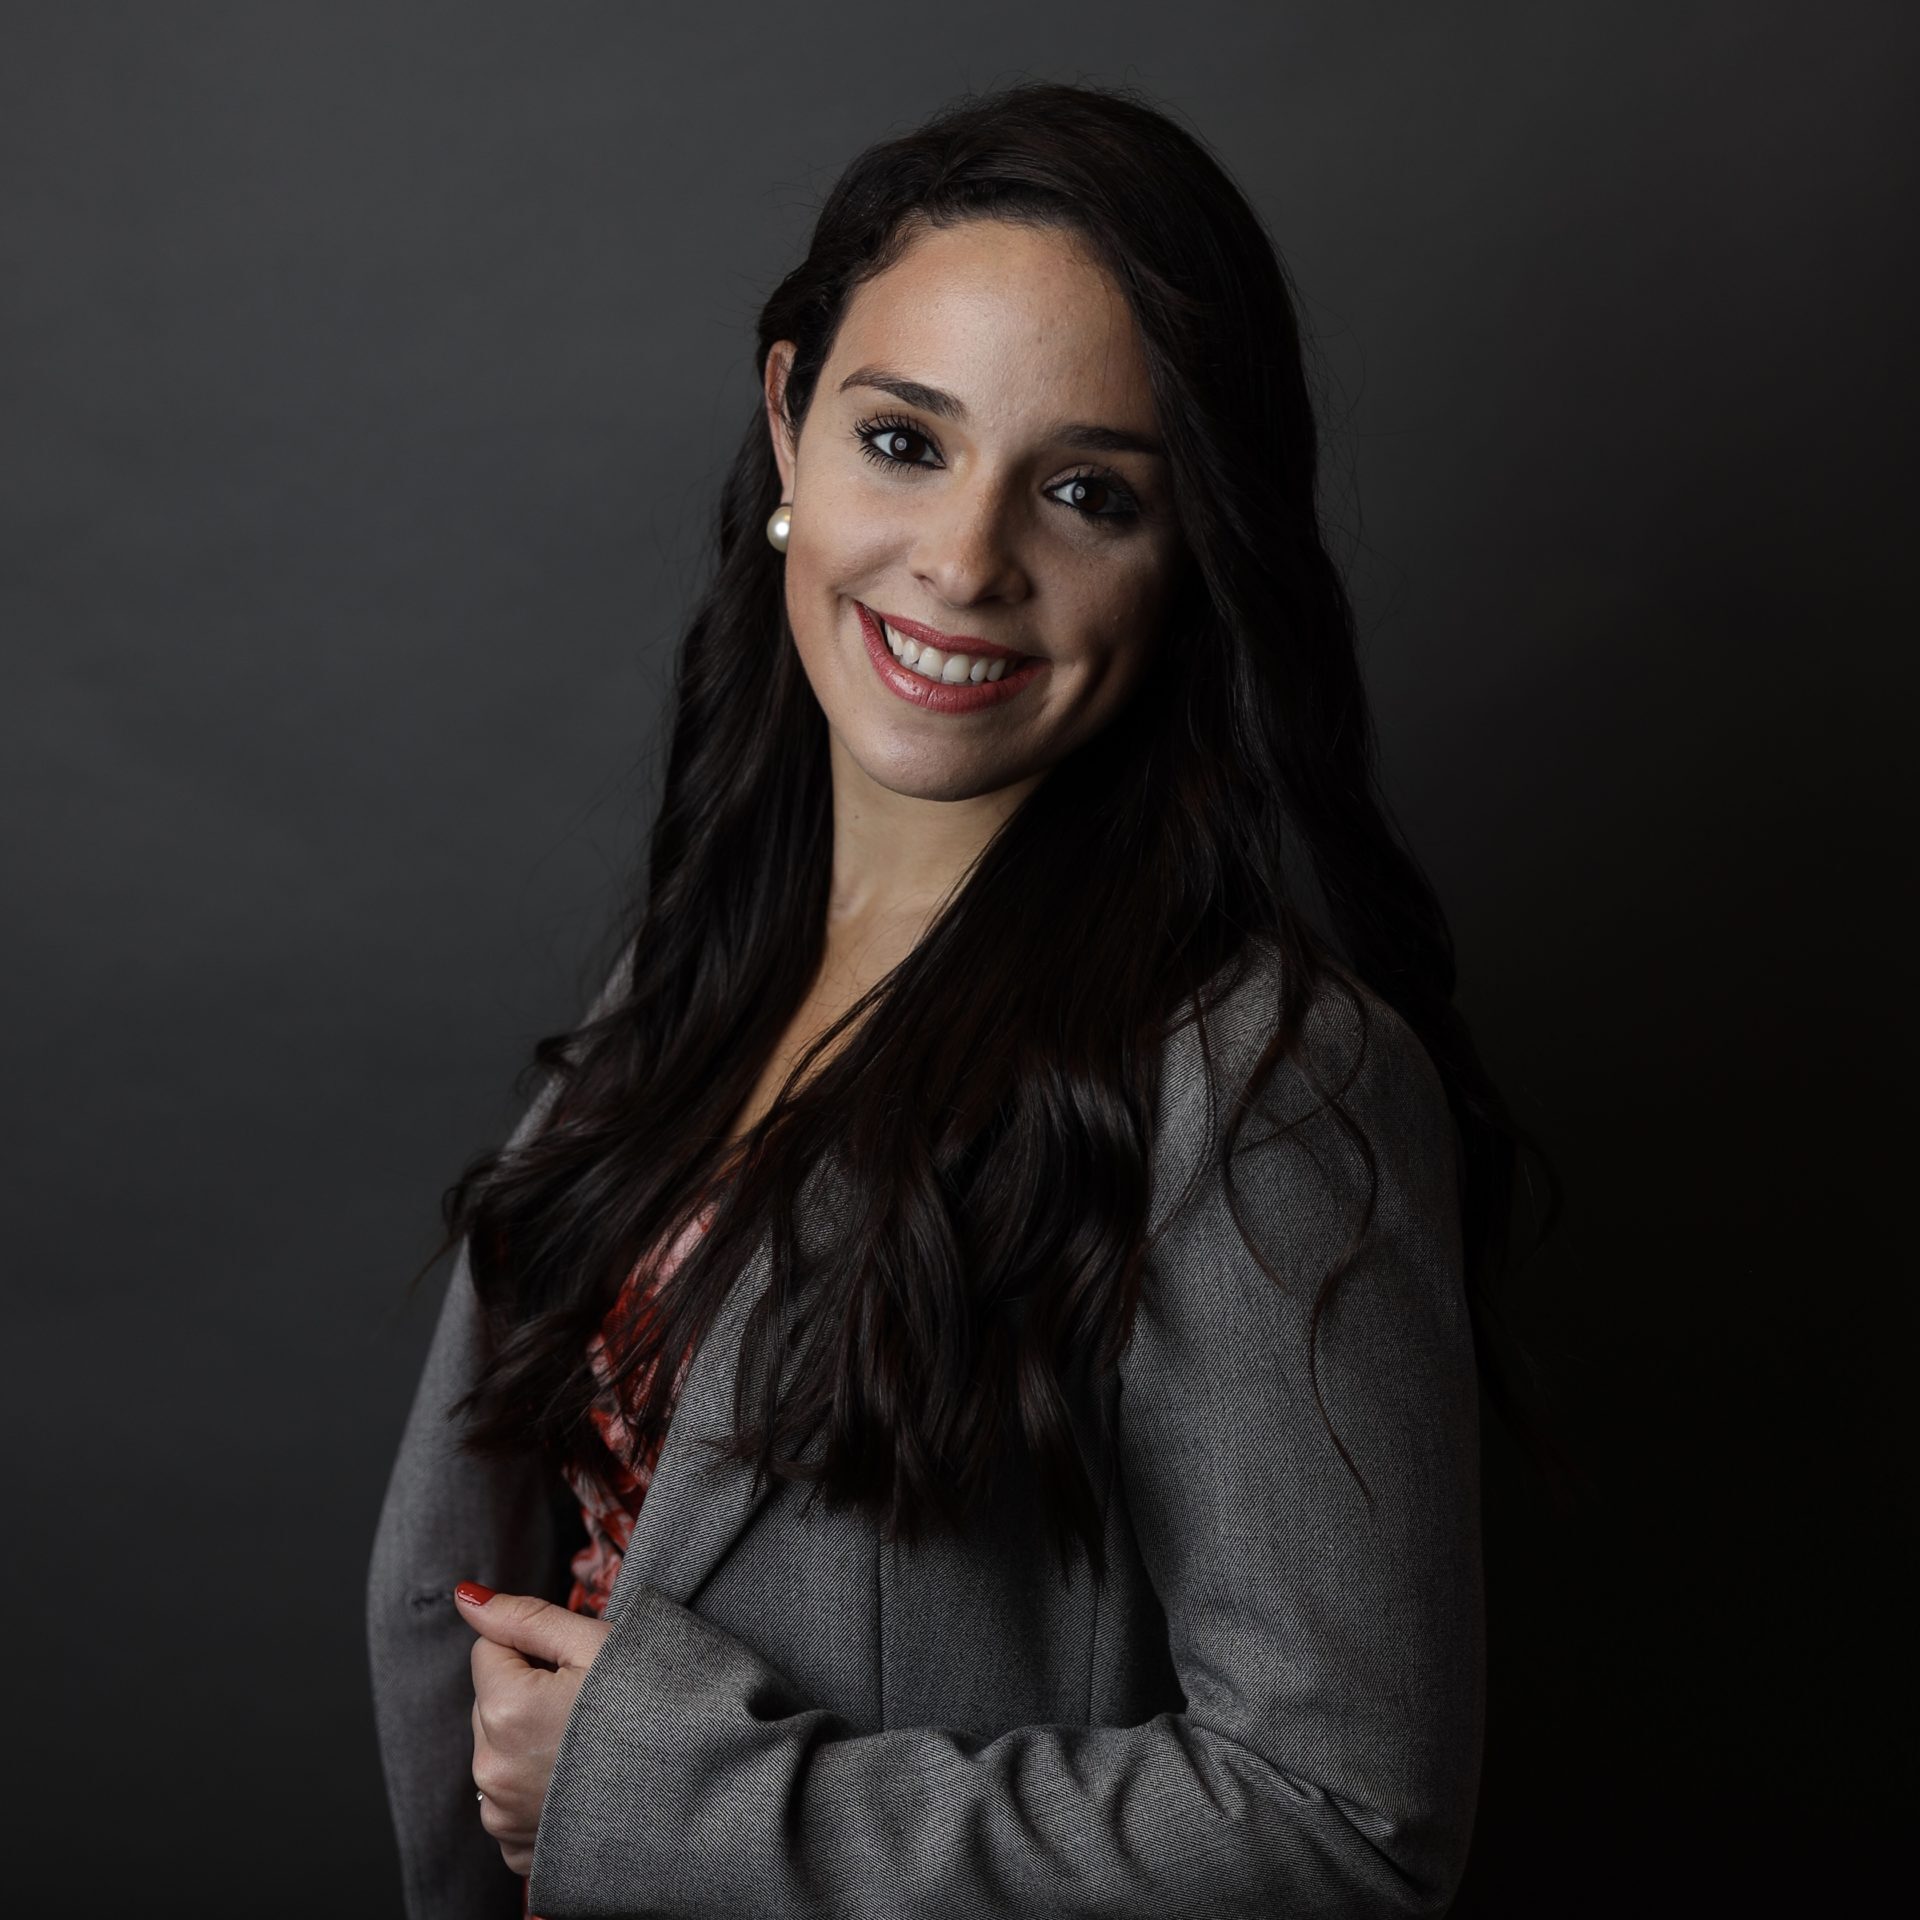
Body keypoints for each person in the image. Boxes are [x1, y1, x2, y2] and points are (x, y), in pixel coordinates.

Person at [367, 78, 1552, 1920]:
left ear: (1191, 561)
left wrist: (675, 1792)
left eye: (1087, 492)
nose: (967, 558)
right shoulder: (692, 978)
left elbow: (1346, 1826)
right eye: (906, 441)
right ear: (788, 426)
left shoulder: (1261, 1081)